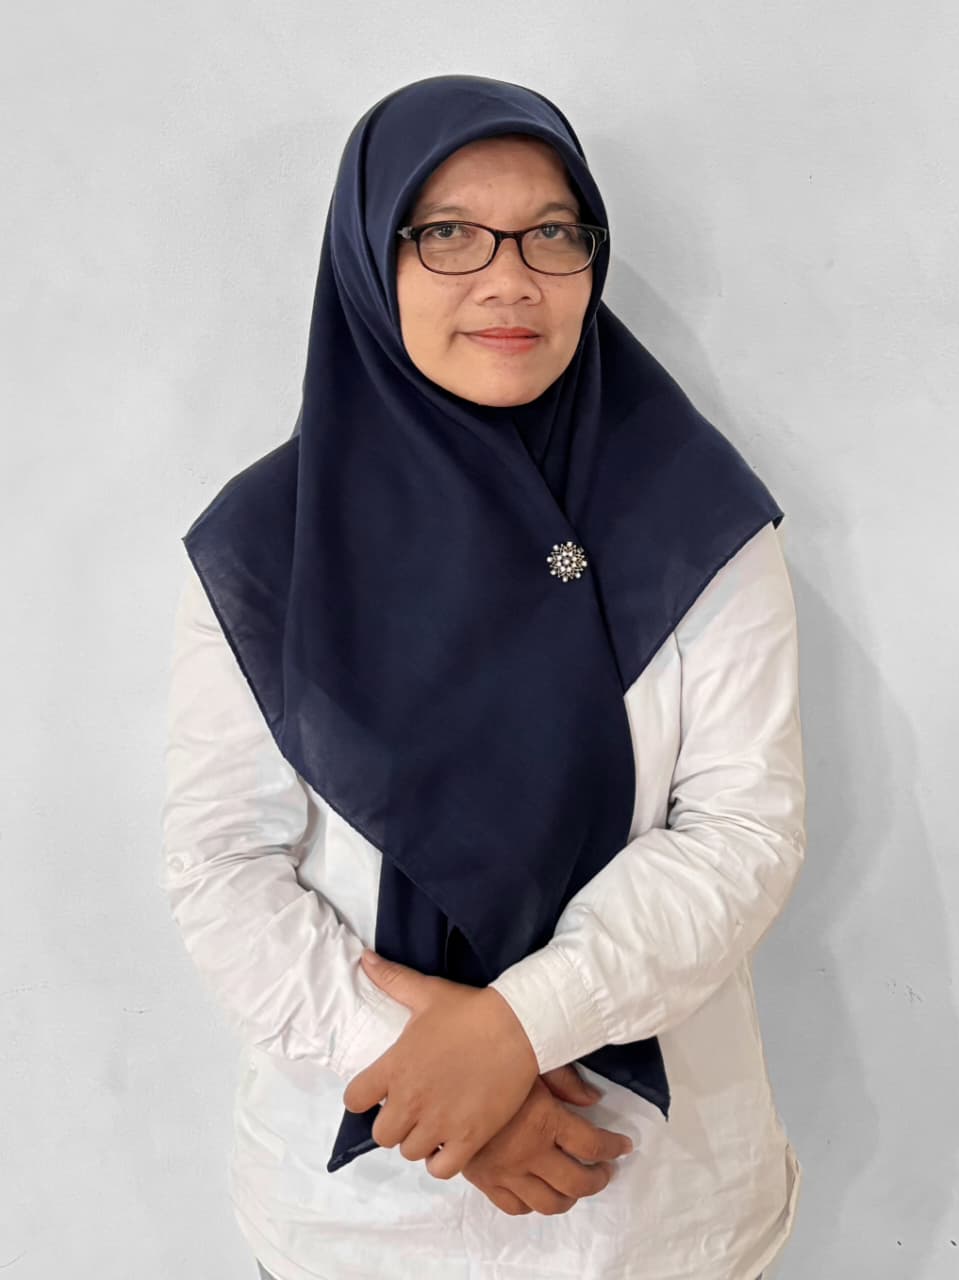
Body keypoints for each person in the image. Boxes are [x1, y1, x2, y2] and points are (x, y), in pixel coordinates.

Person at [160, 74, 805, 1280]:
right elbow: (223, 861)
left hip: (654, 1208)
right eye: (448, 233)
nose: (509, 280)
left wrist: (515, 1028)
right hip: (360, 1220)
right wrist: (436, 1075)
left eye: (551, 232)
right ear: (370, 255)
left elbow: (741, 830)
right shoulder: (266, 545)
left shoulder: (695, 517)